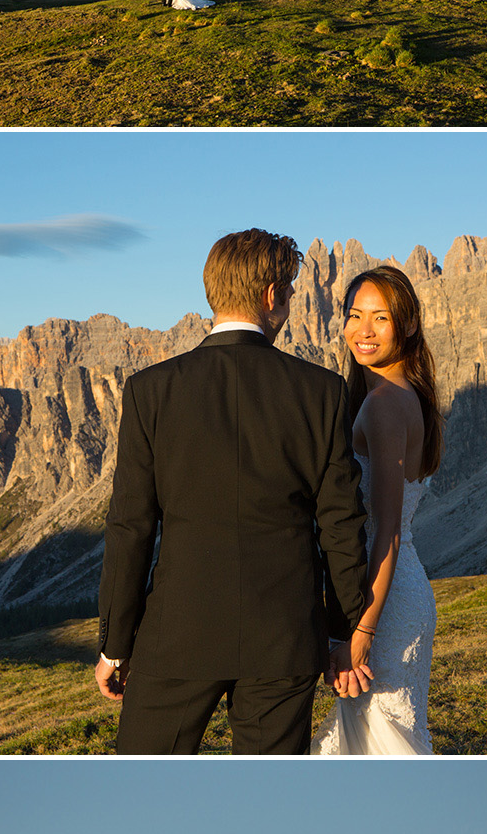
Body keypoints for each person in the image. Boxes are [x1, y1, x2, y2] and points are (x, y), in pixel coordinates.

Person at [94, 228, 369, 753]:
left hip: (177, 638)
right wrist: (343, 630)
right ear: (270, 296)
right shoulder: (322, 392)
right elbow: (341, 523)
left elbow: (130, 527)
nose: (289, 303)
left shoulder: (151, 391)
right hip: (284, 639)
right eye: (289, 290)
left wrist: (115, 644)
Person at [312, 264, 442, 756]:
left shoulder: (385, 403)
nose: (362, 331)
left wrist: (360, 630)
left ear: (407, 325)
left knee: (381, 747)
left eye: (380, 318)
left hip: (381, 604)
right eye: (354, 315)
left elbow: (385, 531)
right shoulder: (404, 392)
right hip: (394, 590)